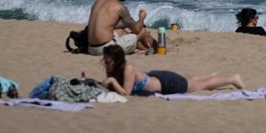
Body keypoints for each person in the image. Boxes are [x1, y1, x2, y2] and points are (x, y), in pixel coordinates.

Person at [101, 45, 245, 96]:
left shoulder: (128, 68)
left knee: (202, 86)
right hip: (156, 78)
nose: (105, 64)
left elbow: (126, 93)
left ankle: (232, 79)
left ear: (117, 60)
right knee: (191, 82)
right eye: (105, 61)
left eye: (107, 61)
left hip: (167, 84)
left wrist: (112, 81)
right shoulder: (114, 68)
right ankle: (209, 75)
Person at [87, 0, 156, 56]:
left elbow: (106, 23)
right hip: (107, 49)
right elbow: (137, 29)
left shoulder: (98, 2)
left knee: (121, 31)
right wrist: (142, 17)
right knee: (142, 32)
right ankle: (158, 48)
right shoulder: (119, 8)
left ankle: (146, 49)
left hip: (91, 48)